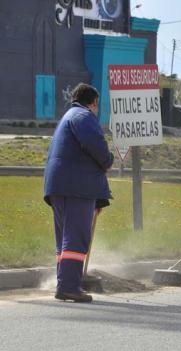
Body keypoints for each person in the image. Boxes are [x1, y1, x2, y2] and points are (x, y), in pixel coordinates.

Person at [43, 83, 114, 303]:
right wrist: (108, 160)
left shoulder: (68, 116)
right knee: (76, 238)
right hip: (77, 188)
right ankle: (69, 287)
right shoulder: (84, 117)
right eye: (97, 105)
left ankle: (64, 282)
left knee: (64, 239)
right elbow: (96, 146)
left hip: (59, 186)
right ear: (92, 102)